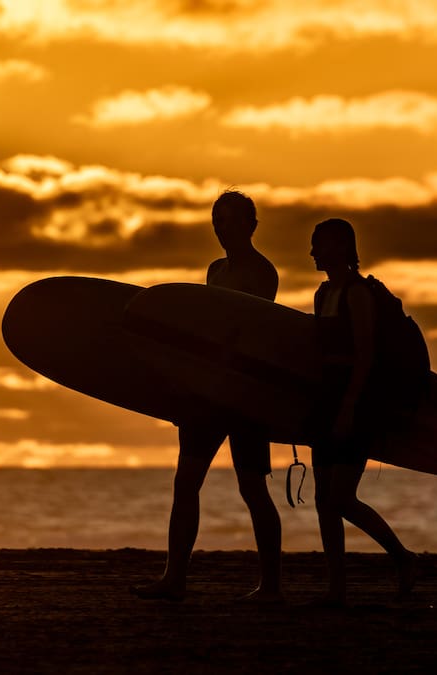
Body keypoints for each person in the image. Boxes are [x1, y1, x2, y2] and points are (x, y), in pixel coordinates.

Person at [131, 190, 282, 603]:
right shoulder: (215, 269)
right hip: (206, 392)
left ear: (251, 225)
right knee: (186, 482)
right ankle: (174, 577)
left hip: (245, 394)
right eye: (216, 220)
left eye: (229, 220)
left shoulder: (262, 271)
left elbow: (249, 330)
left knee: (252, 488)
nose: (221, 228)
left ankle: (271, 586)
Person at [309, 218, 417, 606]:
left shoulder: (358, 294)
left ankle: (403, 558)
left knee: (341, 498)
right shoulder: (323, 293)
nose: (313, 252)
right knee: (324, 500)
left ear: (341, 247)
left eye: (320, 244)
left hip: (357, 401)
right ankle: (337, 589)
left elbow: (365, 355)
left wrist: (349, 408)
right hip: (325, 400)